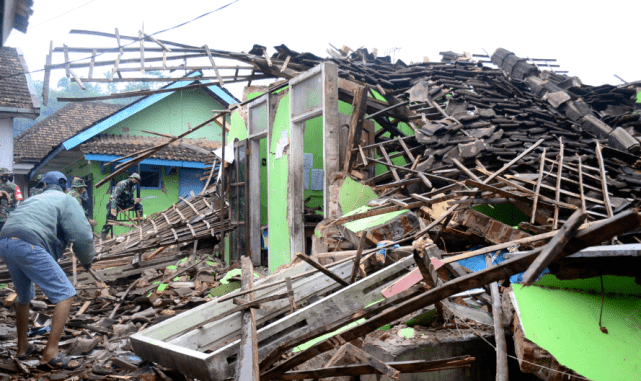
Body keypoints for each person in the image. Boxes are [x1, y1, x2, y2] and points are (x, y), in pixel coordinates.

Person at [0, 171, 94, 369]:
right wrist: (87, 261)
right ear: (64, 186)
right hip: (28, 242)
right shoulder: (66, 199)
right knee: (65, 294)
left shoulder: (33, 199)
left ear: (43, 185)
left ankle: (23, 348)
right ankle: (50, 354)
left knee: (24, 296)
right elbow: (83, 236)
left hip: (6, 241)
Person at [100, 173, 142, 239]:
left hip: (124, 204)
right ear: (130, 178)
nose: (135, 183)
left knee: (139, 205)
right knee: (110, 221)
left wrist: (134, 200)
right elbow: (114, 197)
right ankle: (102, 238)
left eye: (136, 182)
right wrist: (113, 208)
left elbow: (129, 198)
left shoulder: (133, 187)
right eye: (134, 181)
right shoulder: (122, 184)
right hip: (115, 204)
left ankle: (141, 224)